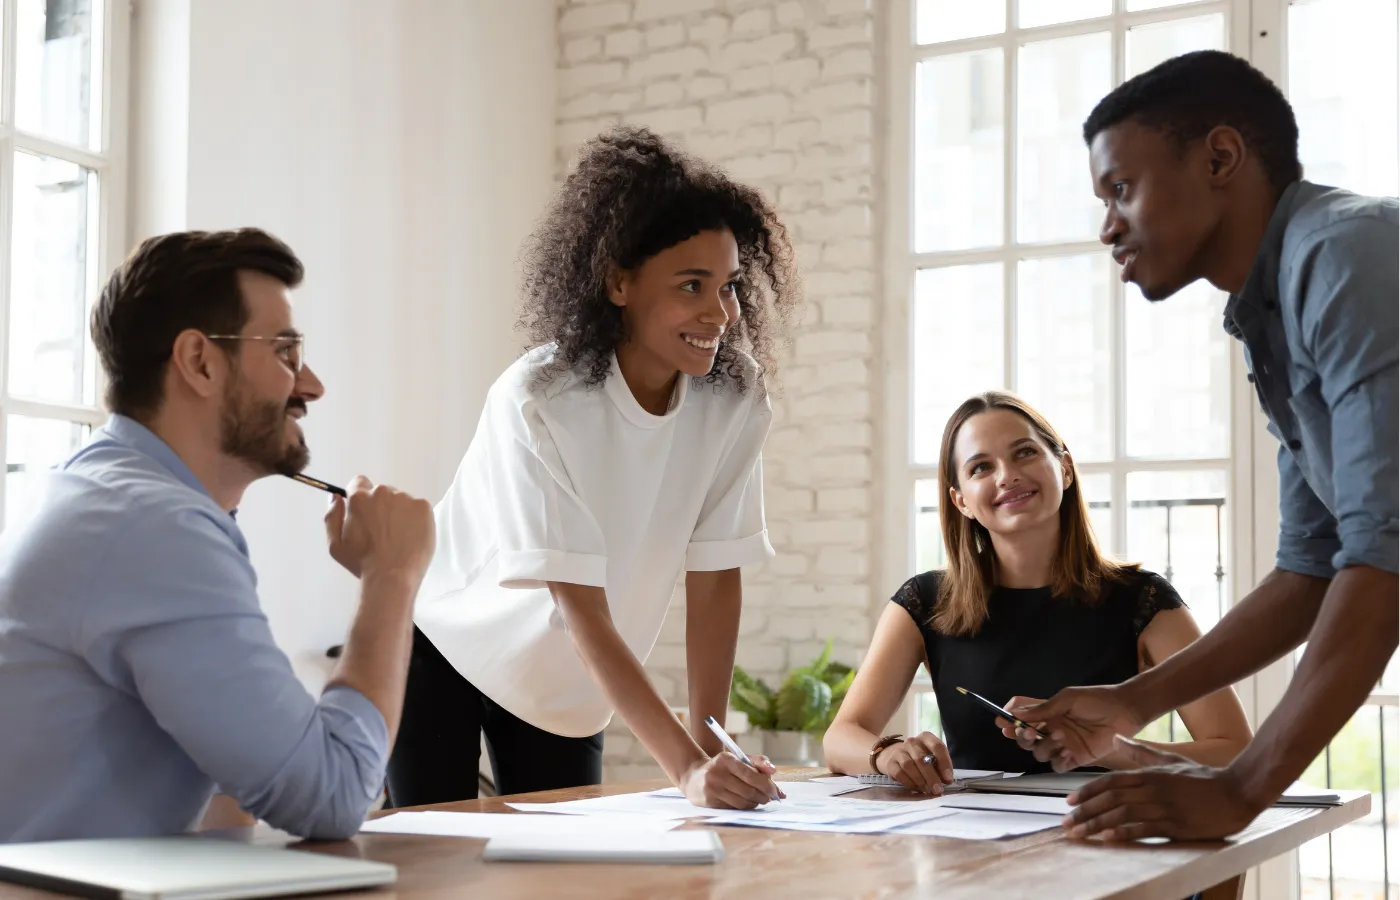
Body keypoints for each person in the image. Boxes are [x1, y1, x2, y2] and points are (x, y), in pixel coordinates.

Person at [1010, 50, 1398, 842]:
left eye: (1121, 188)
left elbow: (1386, 550)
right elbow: (1312, 568)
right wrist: (1133, 700)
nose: (1106, 225)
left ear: (1220, 156)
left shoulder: (1343, 254)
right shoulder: (1272, 312)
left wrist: (1240, 788)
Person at [390, 126, 802, 810]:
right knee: (438, 867)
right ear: (618, 282)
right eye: (691, 285)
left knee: (571, 875)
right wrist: (686, 772)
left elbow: (715, 575)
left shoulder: (734, 398)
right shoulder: (538, 401)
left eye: (728, 286)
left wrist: (710, 744)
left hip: (568, 689)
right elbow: (579, 604)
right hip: (446, 651)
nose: (720, 313)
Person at [0, 229, 435, 843]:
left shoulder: (102, 493)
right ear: (200, 362)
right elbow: (333, 798)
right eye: (285, 352)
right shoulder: (154, 529)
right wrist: (391, 577)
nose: (310, 386)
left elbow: (232, 798)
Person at [823, 392, 1251, 793]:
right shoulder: (924, 601)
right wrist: (886, 755)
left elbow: (1233, 750)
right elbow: (841, 738)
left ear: (1064, 468)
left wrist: (1109, 749)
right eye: (981, 467)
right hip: (967, 844)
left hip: (1102, 834)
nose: (1007, 476)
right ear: (962, 502)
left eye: (1024, 452)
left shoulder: (1143, 599)